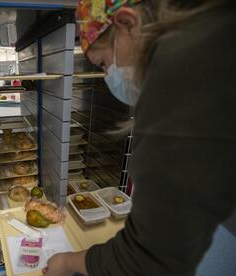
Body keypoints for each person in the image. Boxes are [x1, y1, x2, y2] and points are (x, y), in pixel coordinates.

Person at [43, 0, 236, 275]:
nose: (108, 75)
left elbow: (146, 262)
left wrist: (66, 262)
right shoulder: (215, 32)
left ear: (126, 23)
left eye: (103, 63)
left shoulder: (181, 77)